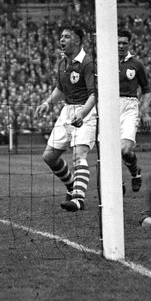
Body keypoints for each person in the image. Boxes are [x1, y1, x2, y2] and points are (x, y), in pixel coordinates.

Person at [34, 24, 97, 211]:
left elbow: (95, 94)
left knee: (79, 155)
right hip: (67, 111)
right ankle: (71, 186)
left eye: (67, 37)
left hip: (87, 110)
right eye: (61, 36)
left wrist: (83, 113)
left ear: (77, 40)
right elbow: (60, 89)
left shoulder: (87, 63)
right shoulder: (63, 63)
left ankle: (78, 199)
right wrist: (47, 103)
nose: (62, 40)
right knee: (49, 157)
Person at [116, 28, 151, 192]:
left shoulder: (136, 64)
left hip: (130, 106)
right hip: (109, 107)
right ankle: (118, 181)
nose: (121, 46)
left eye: (124, 43)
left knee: (124, 149)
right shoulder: (104, 62)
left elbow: (146, 90)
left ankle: (134, 170)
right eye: (118, 43)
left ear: (129, 44)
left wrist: (144, 112)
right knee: (108, 150)